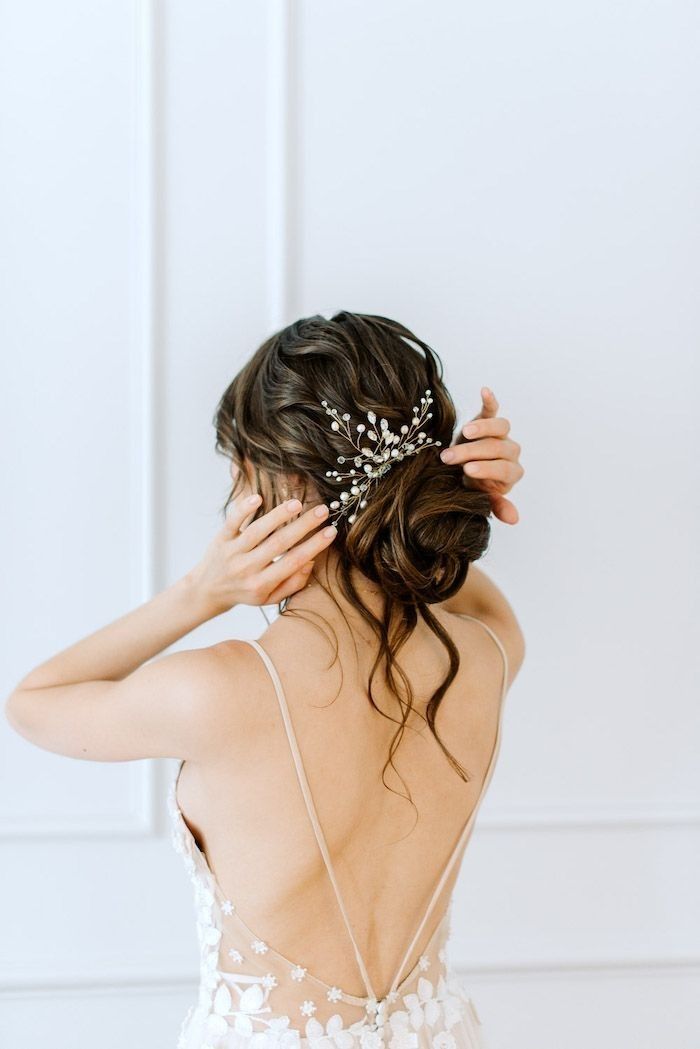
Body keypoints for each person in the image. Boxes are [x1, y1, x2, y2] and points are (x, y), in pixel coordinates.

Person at [5, 311, 526, 1049]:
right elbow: (473, 597)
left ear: (276, 483)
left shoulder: (217, 691)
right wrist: (451, 496)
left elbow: (32, 703)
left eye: (238, 466)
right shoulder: (485, 657)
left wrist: (203, 591)